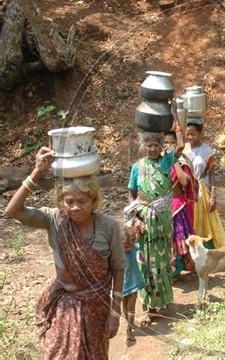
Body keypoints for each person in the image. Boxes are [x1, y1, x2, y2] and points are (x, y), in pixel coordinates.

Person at [5, 147, 127, 359]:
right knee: (58, 353)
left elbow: (118, 268)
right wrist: (37, 172)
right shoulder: (54, 219)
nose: (76, 207)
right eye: (69, 202)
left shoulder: (108, 226)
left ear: (94, 200)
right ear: (61, 202)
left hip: (96, 307)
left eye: (83, 201)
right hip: (64, 302)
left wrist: (115, 314)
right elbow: (13, 211)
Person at [128, 109, 184, 325]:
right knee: (144, 262)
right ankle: (150, 304)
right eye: (148, 145)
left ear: (162, 146)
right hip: (143, 220)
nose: (152, 148)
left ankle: (162, 300)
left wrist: (175, 114)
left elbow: (180, 146)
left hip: (161, 220)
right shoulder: (137, 167)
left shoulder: (167, 161)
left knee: (161, 260)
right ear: (144, 146)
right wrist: (134, 218)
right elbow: (132, 193)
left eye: (156, 145)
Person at [183, 120, 225, 249]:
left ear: (200, 133)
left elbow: (212, 175)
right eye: (188, 134)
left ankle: (206, 250)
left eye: (193, 134)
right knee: (187, 220)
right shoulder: (183, 149)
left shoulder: (207, 151)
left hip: (201, 191)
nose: (190, 137)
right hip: (185, 190)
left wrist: (213, 196)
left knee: (205, 221)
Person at [163, 131, 196, 280]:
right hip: (163, 207)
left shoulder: (181, 163)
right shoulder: (159, 163)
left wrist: (174, 160)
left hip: (177, 206)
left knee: (180, 239)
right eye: (165, 143)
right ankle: (171, 269)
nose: (168, 146)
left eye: (171, 143)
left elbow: (184, 182)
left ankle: (179, 269)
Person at [121, 217, 145, 342]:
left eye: (130, 246)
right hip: (122, 282)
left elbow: (138, 237)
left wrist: (139, 225)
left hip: (134, 280)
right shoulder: (116, 251)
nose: (128, 249)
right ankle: (129, 322)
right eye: (126, 247)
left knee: (131, 306)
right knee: (124, 305)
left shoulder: (133, 246)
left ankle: (129, 329)